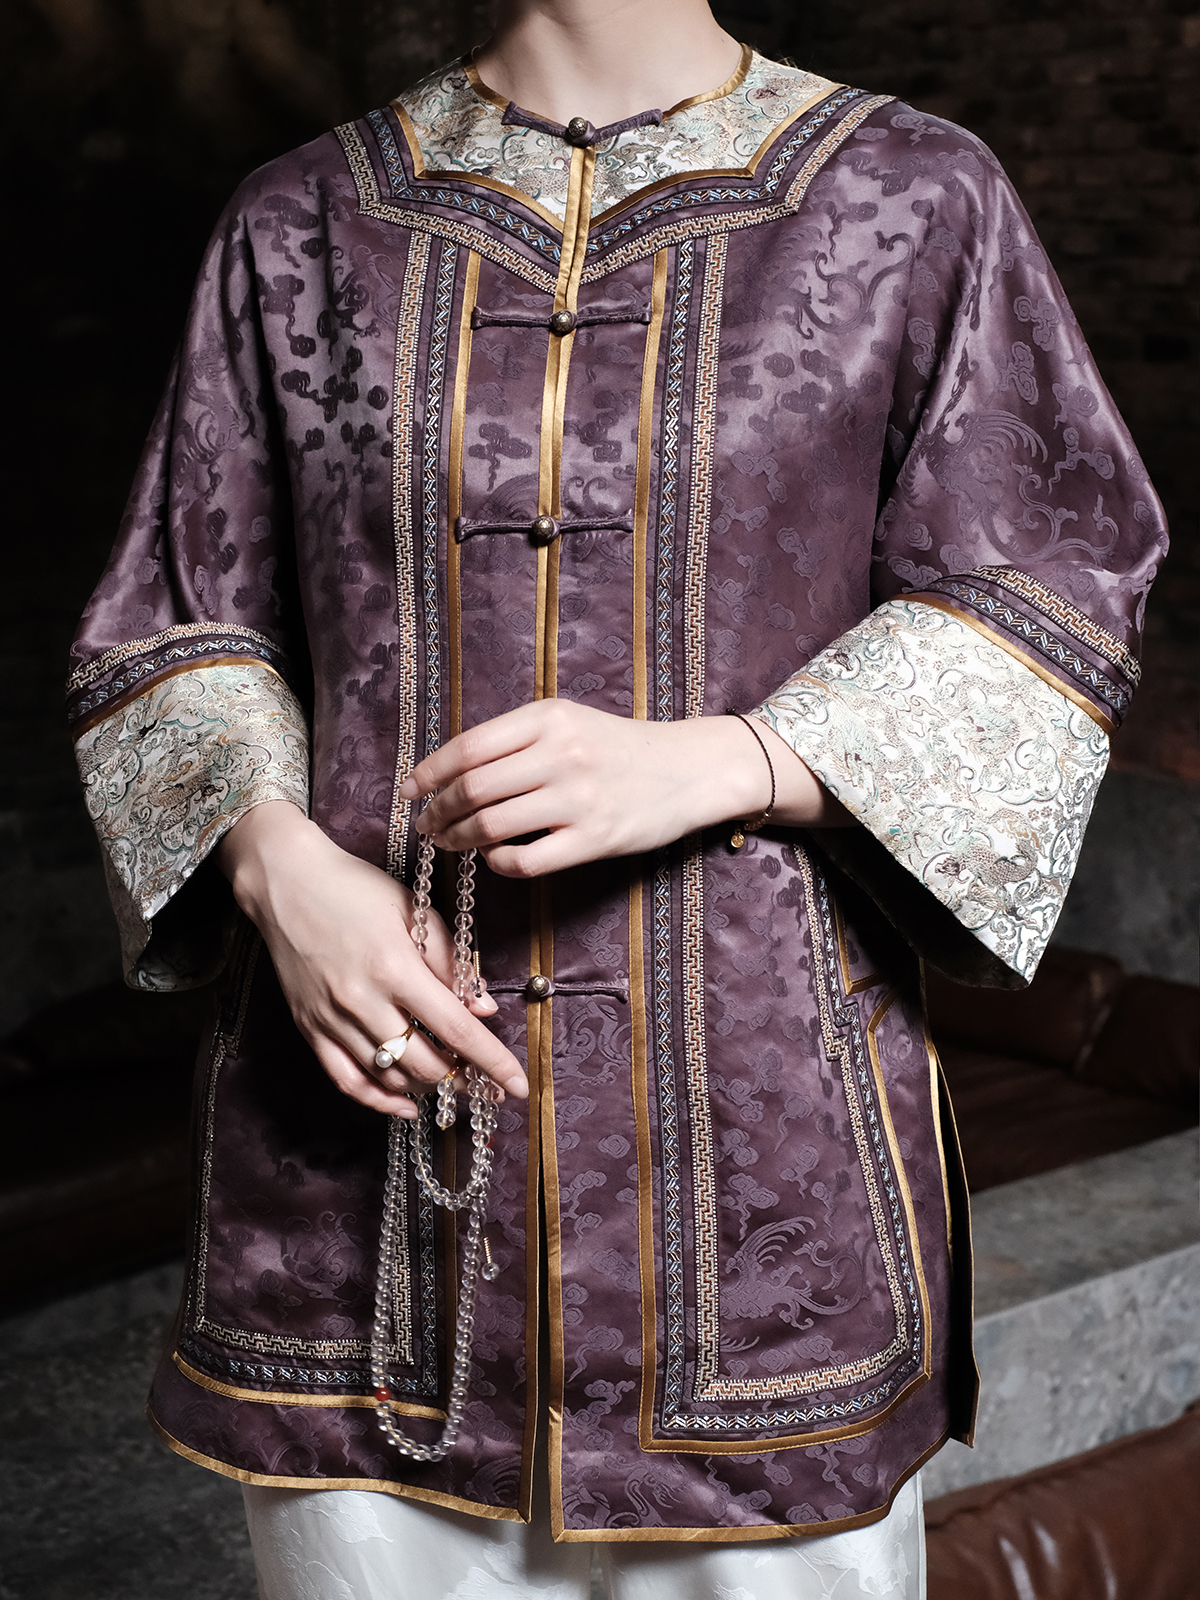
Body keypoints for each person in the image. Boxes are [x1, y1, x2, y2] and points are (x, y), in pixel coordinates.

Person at [68, 0, 1165, 1593]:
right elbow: (175, 612)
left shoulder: (913, 194)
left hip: (763, 1180)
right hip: (356, 1186)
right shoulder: (299, 220)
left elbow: (1048, 582)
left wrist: (735, 757)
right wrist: (273, 866)